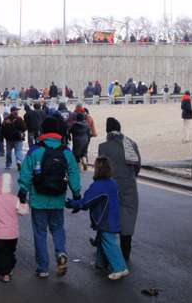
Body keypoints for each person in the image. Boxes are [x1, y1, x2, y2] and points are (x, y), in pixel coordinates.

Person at [17, 117, 81, 278]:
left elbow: (26, 173)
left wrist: (22, 192)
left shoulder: (35, 150)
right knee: (57, 228)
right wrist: (76, 193)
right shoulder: (66, 151)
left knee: (40, 232)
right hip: (58, 198)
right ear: (58, 131)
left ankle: (42, 267)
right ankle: (60, 253)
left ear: (43, 131)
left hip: (38, 198)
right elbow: (73, 172)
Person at [65, 155, 129, 280]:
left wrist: (70, 204)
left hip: (105, 220)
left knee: (109, 243)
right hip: (113, 217)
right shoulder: (112, 182)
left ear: (98, 169)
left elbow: (86, 202)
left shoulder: (98, 186)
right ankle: (101, 264)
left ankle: (120, 268)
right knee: (102, 241)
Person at [97, 117, 140, 260]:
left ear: (108, 130)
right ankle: (126, 251)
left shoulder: (104, 147)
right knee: (128, 216)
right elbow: (137, 166)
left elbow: (101, 170)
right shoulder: (131, 144)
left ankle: (104, 247)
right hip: (129, 184)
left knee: (106, 215)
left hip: (110, 186)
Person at [0, 173, 29, 282]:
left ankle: (4, 273)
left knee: (0, 253)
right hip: (12, 234)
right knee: (10, 251)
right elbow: (22, 211)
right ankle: (10, 267)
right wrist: (26, 204)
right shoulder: (15, 199)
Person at [0, 106, 27, 171]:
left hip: (8, 139)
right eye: (17, 110)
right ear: (13, 111)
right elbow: (24, 128)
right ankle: (19, 161)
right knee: (18, 150)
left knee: (9, 152)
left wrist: (1, 138)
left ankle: (8, 164)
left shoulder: (5, 119)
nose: (18, 111)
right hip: (17, 138)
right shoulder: (19, 119)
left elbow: (2, 129)